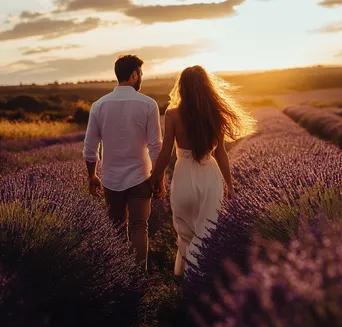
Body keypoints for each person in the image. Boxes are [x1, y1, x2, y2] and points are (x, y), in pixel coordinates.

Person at [149, 65, 256, 276]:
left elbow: (165, 152)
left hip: (183, 177)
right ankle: (199, 280)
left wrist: (156, 177)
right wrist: (230, 185)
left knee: (185, 232)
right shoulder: (215, 114)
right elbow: (221, 154)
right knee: (206, 231)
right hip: (209, 177)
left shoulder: (172, 114)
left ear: (182, 88)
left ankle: (186, 278)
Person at [83, 54, 163, 271]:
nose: (142, 78)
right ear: (134, 74)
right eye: (141, 74)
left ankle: (120, 279)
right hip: (140, 176)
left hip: (111, 179)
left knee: (116, 228)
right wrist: (158, 178)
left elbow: (90, 148)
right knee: (139, 227)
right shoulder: (148, 104)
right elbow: (156, 146)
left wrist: (92, 176)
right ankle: (139, 279)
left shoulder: (99, 106)